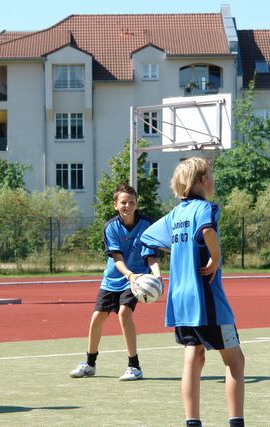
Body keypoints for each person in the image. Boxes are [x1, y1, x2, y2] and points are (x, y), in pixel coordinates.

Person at [140, 157, 245, 427]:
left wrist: (179, 250)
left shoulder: (176, 214)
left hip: (180, 300)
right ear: (202, 180)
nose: (212, 178)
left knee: (193, 358)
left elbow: (148, 237)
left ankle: (192, 422)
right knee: (235, 361)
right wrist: (216, 257)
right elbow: (207, 230)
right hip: (206, 299)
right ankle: (236, 423)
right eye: (210, 174)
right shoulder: (205, 208)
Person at [69, 184, 161, 381]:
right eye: (123, 202)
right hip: (114, 278)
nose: (127, 206)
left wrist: (157, 277)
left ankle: (134, 366)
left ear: (136, 204)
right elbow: (117, 258)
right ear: (115, 205)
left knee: (124, 312)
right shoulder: (110, 227)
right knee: (97, 317)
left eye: (131, 202)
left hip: (137, 279)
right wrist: (129, 275)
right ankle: (90, 364)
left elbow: (152, 257)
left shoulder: (146, 225)